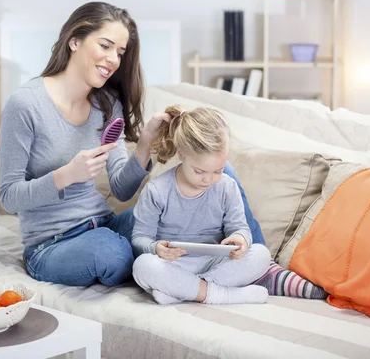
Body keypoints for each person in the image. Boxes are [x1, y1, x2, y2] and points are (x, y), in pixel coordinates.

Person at [0, 1, 270, 290]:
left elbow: (121, 189)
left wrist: (143, 145)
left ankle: (259, 264)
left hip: (106, 225)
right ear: (74, 40)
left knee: (219, 169)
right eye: (105, 46)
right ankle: (185, 276)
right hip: (52, 245)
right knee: (112, 251)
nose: (113, 59)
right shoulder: (26, 104)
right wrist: (67, 175)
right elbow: (8, 196)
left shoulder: (106, 105)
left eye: (120, 52)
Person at [132, 105, 328, 305]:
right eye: (200, 171)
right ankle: (224, 295)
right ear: (181, 154)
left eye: (218, 170)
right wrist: (156, 248)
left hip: (216, 265)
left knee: (260, 254)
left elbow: (240, 227)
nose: (208, 179)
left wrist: (239, 238)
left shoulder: (227, 186)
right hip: (174, 264)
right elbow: (139, 238)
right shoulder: (157, 190)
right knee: (143, 265)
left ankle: (183, 291)